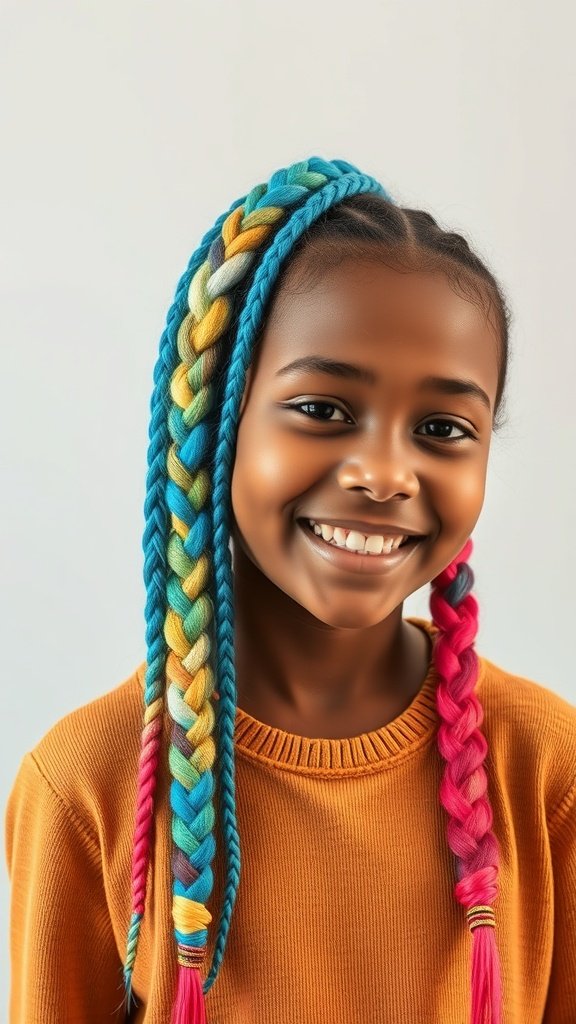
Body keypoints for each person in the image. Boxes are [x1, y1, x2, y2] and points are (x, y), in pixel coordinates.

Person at [5, 156, 576, 1024]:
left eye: (441, 427)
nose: (385, 473)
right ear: (216, 426)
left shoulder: (548, 771)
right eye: (323, 410)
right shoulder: (85, 784)